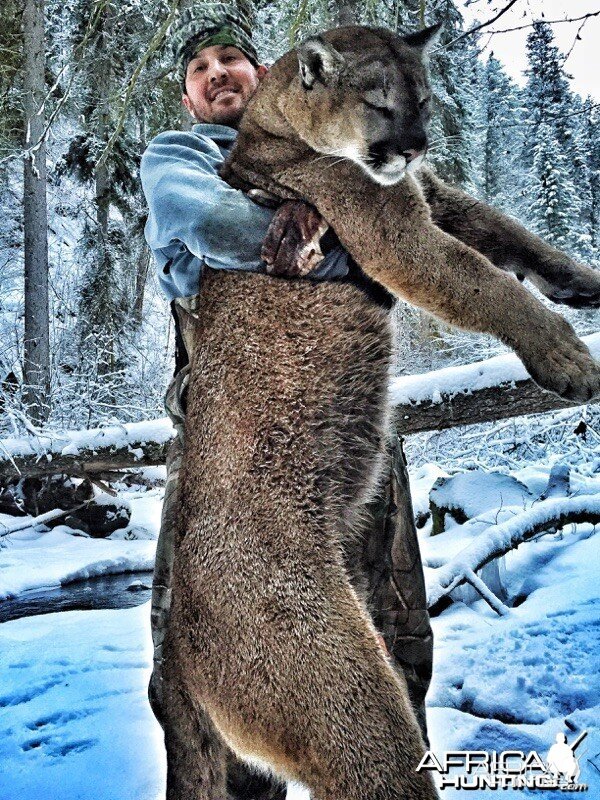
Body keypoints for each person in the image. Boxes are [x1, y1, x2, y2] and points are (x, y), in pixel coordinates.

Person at [141, 5, 428, 798]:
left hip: (345, 432)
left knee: (393, 643)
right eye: (200, 71)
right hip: (229, 454)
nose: (217, 74)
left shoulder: (339, 152)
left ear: (266, 74)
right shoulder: (182, 156)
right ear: (191, 100)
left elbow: (415, 243)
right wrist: (337, 245)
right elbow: (212, 222)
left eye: (231, 58)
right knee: (204, 675)